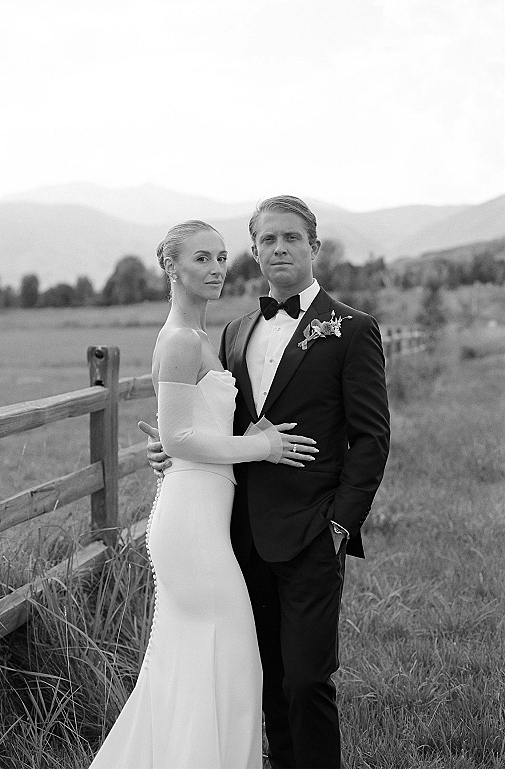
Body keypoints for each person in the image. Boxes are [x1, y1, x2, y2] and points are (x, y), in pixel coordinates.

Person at [143, 196, 391, 769]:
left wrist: (339, 525)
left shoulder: (352, 330)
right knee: (263, 680)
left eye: (291, 238)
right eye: (268, 240)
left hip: (311, 531)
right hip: (234, 536)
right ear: (255, 251)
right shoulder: (234, 332)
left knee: (307, 682)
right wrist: (171, 449)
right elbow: (215, 424)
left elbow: (371, 439)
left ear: (313, 248)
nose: (279, 249)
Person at [88, 220, 317, 769]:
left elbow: (182, 434)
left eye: (220, 258)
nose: (216, 269)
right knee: (235, 661)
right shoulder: (178, 341)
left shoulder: (200, 340)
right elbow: (178, 437)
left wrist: (186, 448)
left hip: (205, 516)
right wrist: (262, 447)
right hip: (191, 526)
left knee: (200, 664)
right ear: (171, 268)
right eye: (200, 260)